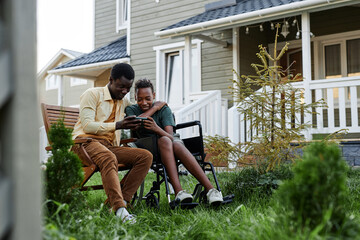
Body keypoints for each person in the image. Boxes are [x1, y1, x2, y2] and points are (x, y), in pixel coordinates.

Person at [72, 63, 166, 223]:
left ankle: (120, 203)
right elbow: (87, 125)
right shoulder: (92, 94)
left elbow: (141, 111)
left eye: (128, 88)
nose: (124, 92)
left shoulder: (124, 102)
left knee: (145, 157)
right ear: (111, 80)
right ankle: (120, 211)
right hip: (84, 143)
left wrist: (156, 107)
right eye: (121, 87)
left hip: (108, 146)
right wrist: (118, 125)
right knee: (109, 157)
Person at [125, 78, 224, 206]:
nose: (144, 102)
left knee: (171, 142)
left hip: (171, 143)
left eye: (148, 98)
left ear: (154, 96)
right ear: (135, 97)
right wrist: (154, 108)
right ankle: (179, 191)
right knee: (166, 141)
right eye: (140, 99)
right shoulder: (132, 110)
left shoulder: (164, 109)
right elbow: (136, 122)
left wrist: (156, 128)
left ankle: (211, 190)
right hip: (147, 146)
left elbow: (170, 136)